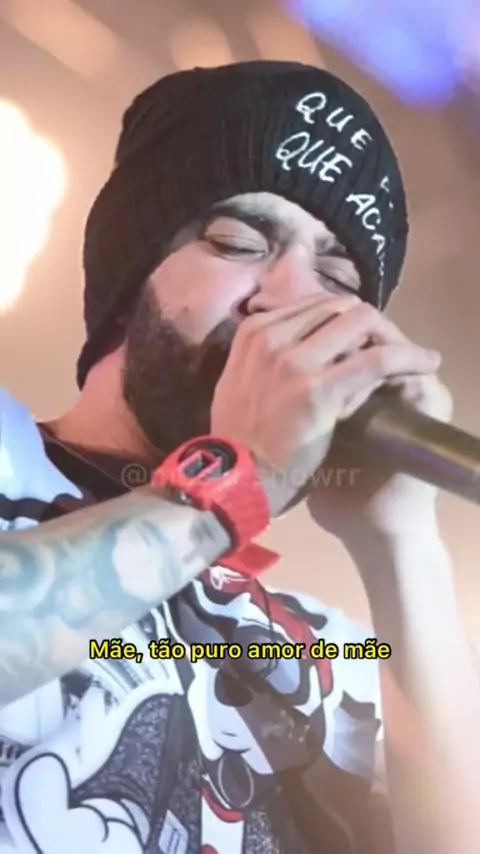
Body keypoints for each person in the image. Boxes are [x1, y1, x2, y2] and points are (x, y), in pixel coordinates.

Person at [0, 60, 477, 854]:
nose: (291, 296)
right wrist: (230, 481)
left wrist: (402, 544)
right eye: (239, 241)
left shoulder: (343, 657)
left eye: (337, 278)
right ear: (128, 281)